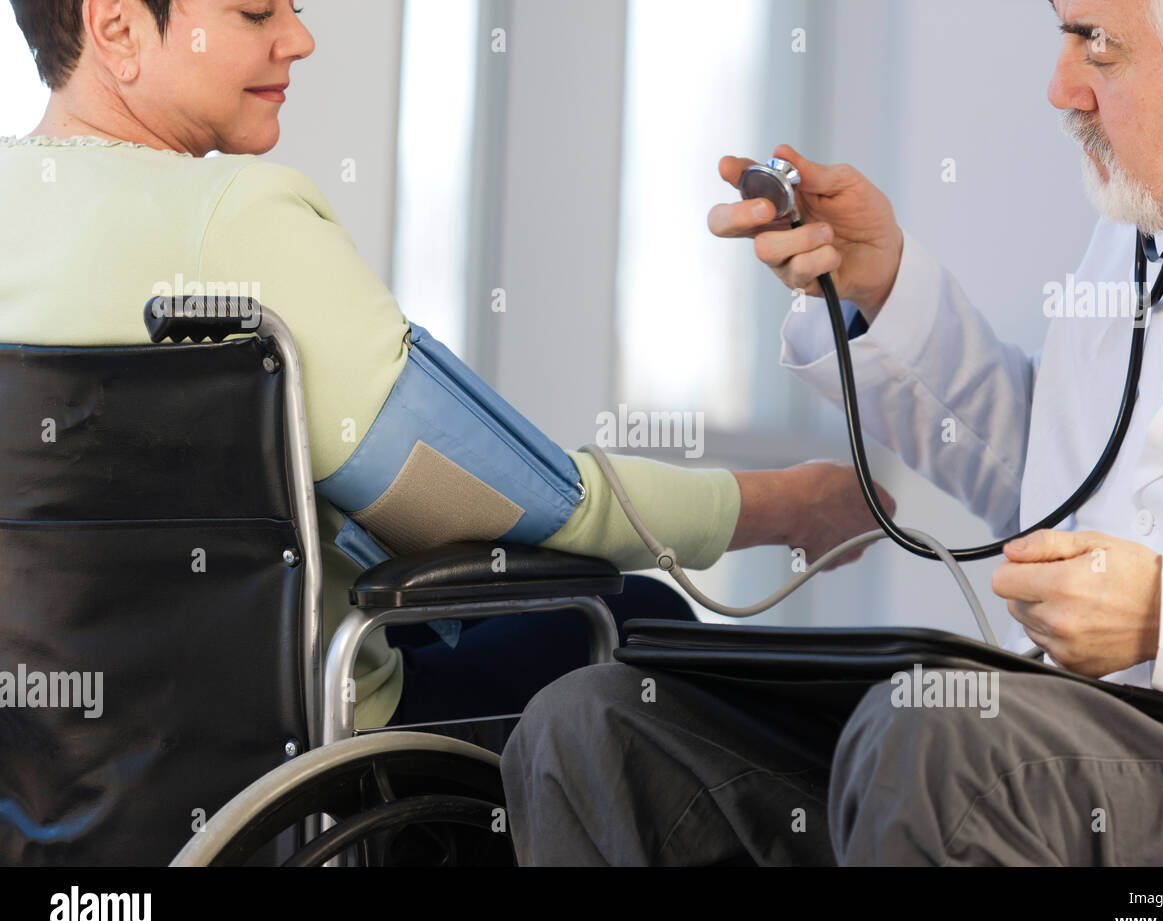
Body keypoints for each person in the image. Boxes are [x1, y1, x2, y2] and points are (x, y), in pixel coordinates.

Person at [502, 0, 1163, 865]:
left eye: (1097, 48)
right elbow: (1062, 485)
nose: (1061, 88)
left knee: (939, 742)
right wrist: (877, 288)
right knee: (598, 724)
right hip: (1058, 744)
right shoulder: (1141, 238)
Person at [0, 0, 890, 735]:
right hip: (286, 746)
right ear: (117, 28)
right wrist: (791, 506)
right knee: (634, 622)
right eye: (256, 12)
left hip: (49, 765)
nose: (300, 39)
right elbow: (503, 502)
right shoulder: (233, 220)